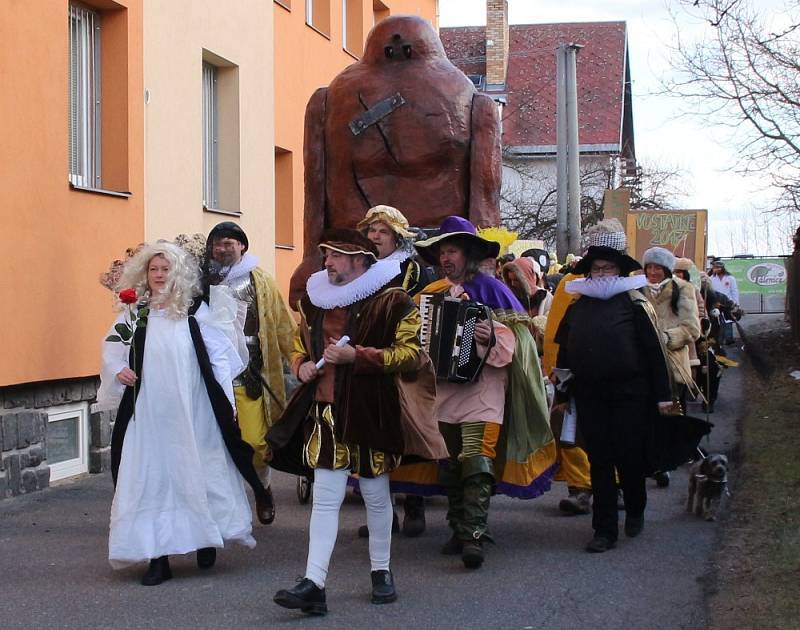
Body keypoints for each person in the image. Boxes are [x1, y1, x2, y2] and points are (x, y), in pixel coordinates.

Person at [270, 230, 424, 615]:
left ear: (360, 260)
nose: (327, 263)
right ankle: (314, 582)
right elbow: (297, 344)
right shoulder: (314, 302)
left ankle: (381, 571)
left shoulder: (394, 301)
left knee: (375, 493)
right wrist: (300, 365)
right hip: (325, 411)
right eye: (326, 256)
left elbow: (411, 355)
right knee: (324, 498)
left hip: (370, 408)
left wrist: (360, 357)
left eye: (335, 256)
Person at [97, 242, 261, 585]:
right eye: (153, 270)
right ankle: (159, 557)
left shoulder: (194, 310)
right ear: (146, 274)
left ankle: (205, 535)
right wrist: (118, 370)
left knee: (200, 467)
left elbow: (218, 355)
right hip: (151, 411)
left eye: (165, 269)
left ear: (177, 273)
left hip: (194, 407)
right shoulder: (135, 312)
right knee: (154, 475)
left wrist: (226, 401)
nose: (159, 276)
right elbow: (114, 347)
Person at [414, 216, 555, 569]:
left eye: (453, 251)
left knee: (477, 460)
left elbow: (522, 343)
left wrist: (490, 334)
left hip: (484, 391)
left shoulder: (494, 290)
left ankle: (474, 534)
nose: (447, 258)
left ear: (469, 254)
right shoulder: (431, 294)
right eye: (442, 251)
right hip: (444, 393)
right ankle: (458, 527)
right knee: (449, 464)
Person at [554, 245, 673, 552]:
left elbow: (654, 353)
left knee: (629, 456)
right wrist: (563, 393)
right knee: (600, 460)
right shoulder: (577, 308)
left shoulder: (634, 305)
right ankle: (604, 530)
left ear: (619, 272)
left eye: (608, 269)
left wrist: (663, 396)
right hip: (590, 394)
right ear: (589, 272)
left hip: (631, 394)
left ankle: (635, 508)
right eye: (597, 269)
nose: (603, 274)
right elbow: (565, 354)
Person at [204, 222, 296, 524]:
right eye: (217, 243)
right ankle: (222, 508)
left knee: (256, 442)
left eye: (229, 242)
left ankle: (262, 487)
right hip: (213, 373)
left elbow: (282, 323)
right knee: (215, 443)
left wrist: (296, 357)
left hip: (251, 369)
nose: (223, 248)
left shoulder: (261, 280)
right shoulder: (201, 280)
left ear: (242, 245)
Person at [356, 205, 435, 537]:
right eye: (372, 230)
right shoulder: (361, 268)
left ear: (396, 236)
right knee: (373, 436)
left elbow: (424, 312)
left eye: (382, 231)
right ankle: (382, 515)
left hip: (402, 357)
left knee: (408, 431)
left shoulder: (413, 269)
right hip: (368, 358)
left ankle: (414, 505)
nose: (375, 237)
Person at [542, 219, 630, 516]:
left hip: (619, 380)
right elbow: (557, 334)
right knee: (570, 431)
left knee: (617, 433)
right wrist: (556, 373)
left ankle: (616, 484)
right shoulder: (570, 284)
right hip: (577, 376)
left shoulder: (631, 287)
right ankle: (580, 488)